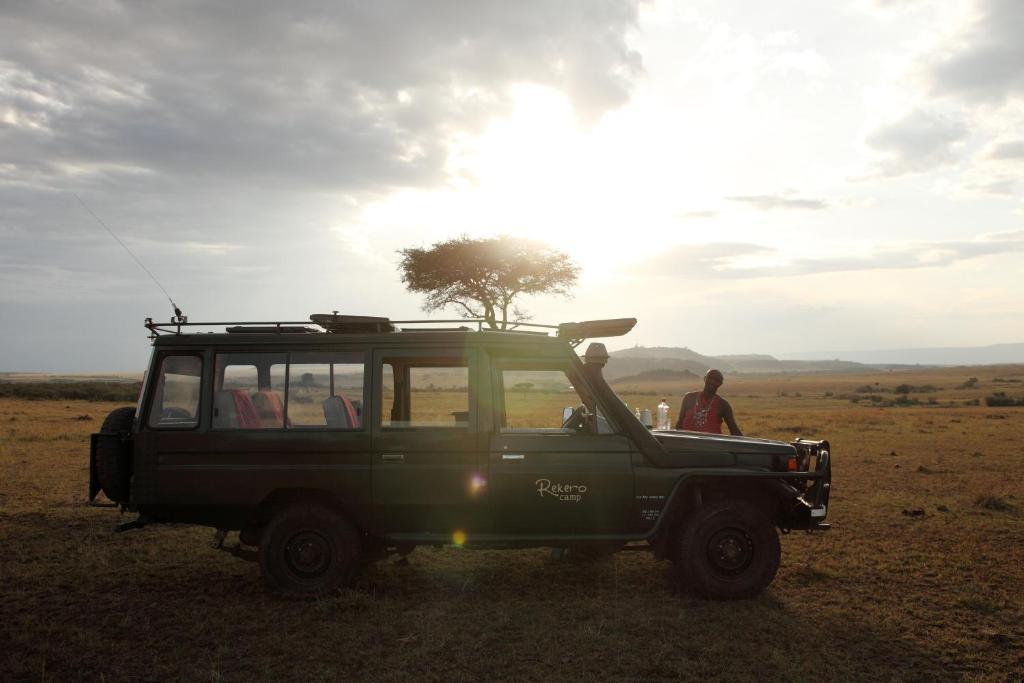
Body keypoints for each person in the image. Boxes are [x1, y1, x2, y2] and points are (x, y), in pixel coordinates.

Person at [675, 368, 742, 435]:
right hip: (687, 443)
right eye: (710, 377)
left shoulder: (723, 405)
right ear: (705, 378)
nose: (712, 381)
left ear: (720, 383)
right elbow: (679, 425)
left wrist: (749, 444)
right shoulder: (689, 398)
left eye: (716, 380)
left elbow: (734, 430)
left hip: (711, 444)